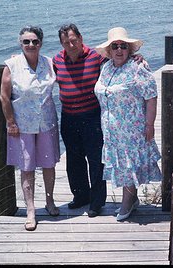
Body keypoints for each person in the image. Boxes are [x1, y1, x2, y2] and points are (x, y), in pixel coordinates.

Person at [52, 24, 146, 218]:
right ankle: (80, 197)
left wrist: (137, 57)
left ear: (80, 37)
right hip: (69, 116)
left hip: (92, 116)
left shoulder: (96, 56)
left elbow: (119, 56)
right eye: (66, 42)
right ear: (61, 44)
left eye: (73, 40)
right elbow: (42, 69)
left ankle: (96, 203)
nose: (71, 44)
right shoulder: (56, 60)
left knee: (96, 160)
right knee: (74, 159)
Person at [94, 27, 162, 221]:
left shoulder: (138, 67)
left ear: (129, 49)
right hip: (111, 129)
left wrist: (150, 124)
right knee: (121, 164)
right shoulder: (105, 67)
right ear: (109, 50)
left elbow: (151, 97)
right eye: (114, 46)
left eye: (123, 46)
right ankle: (132, 200)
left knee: (127, 165)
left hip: (131, 128)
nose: (119, 50)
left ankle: (127, 202)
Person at [0, 25, 60, 231]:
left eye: (35, 41)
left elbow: (74, 64)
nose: (31, 45)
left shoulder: (50, 63)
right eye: (26, 41)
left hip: (47, 122)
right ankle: (31, 210)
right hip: (22, 125)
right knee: (27, 168)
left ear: (41, 43)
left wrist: (133, 56)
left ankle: (50, 202)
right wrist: (10, 122)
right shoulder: (12, 65)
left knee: (49, 165)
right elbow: (4, 96)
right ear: (21, 43)